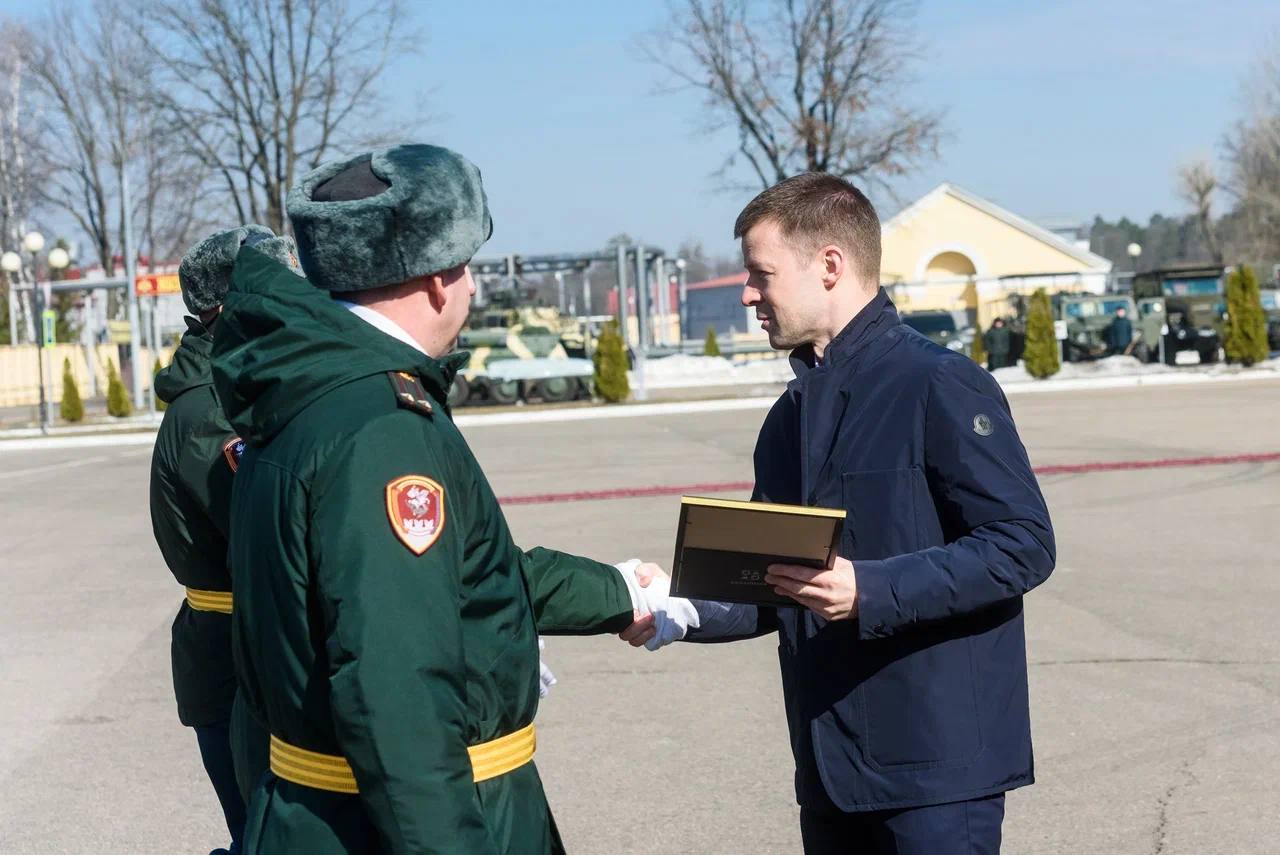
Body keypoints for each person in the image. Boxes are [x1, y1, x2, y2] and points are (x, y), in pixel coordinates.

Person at [210, 143, 657, 854]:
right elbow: (398, 695)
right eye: (470, 266)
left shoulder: (315, 392)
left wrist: (621, 591)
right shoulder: (383, 432)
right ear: (440, 281)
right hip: (398, 824)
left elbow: (467, 576)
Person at [629, 173, 1056, 854]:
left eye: (759, 272)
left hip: (935, 778)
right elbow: (770, 580)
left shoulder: (937, 384)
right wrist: (676, 602)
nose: (746, 292)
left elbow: (1022, 543)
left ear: (829, 265)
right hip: (832, 773)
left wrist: (872, 588)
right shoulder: (788, 418)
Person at [149, 225, 300, 855]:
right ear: (232, 308)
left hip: (248, 648)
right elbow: (272, 536)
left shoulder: (236, 389)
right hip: (238, 659)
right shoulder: (213, 411)